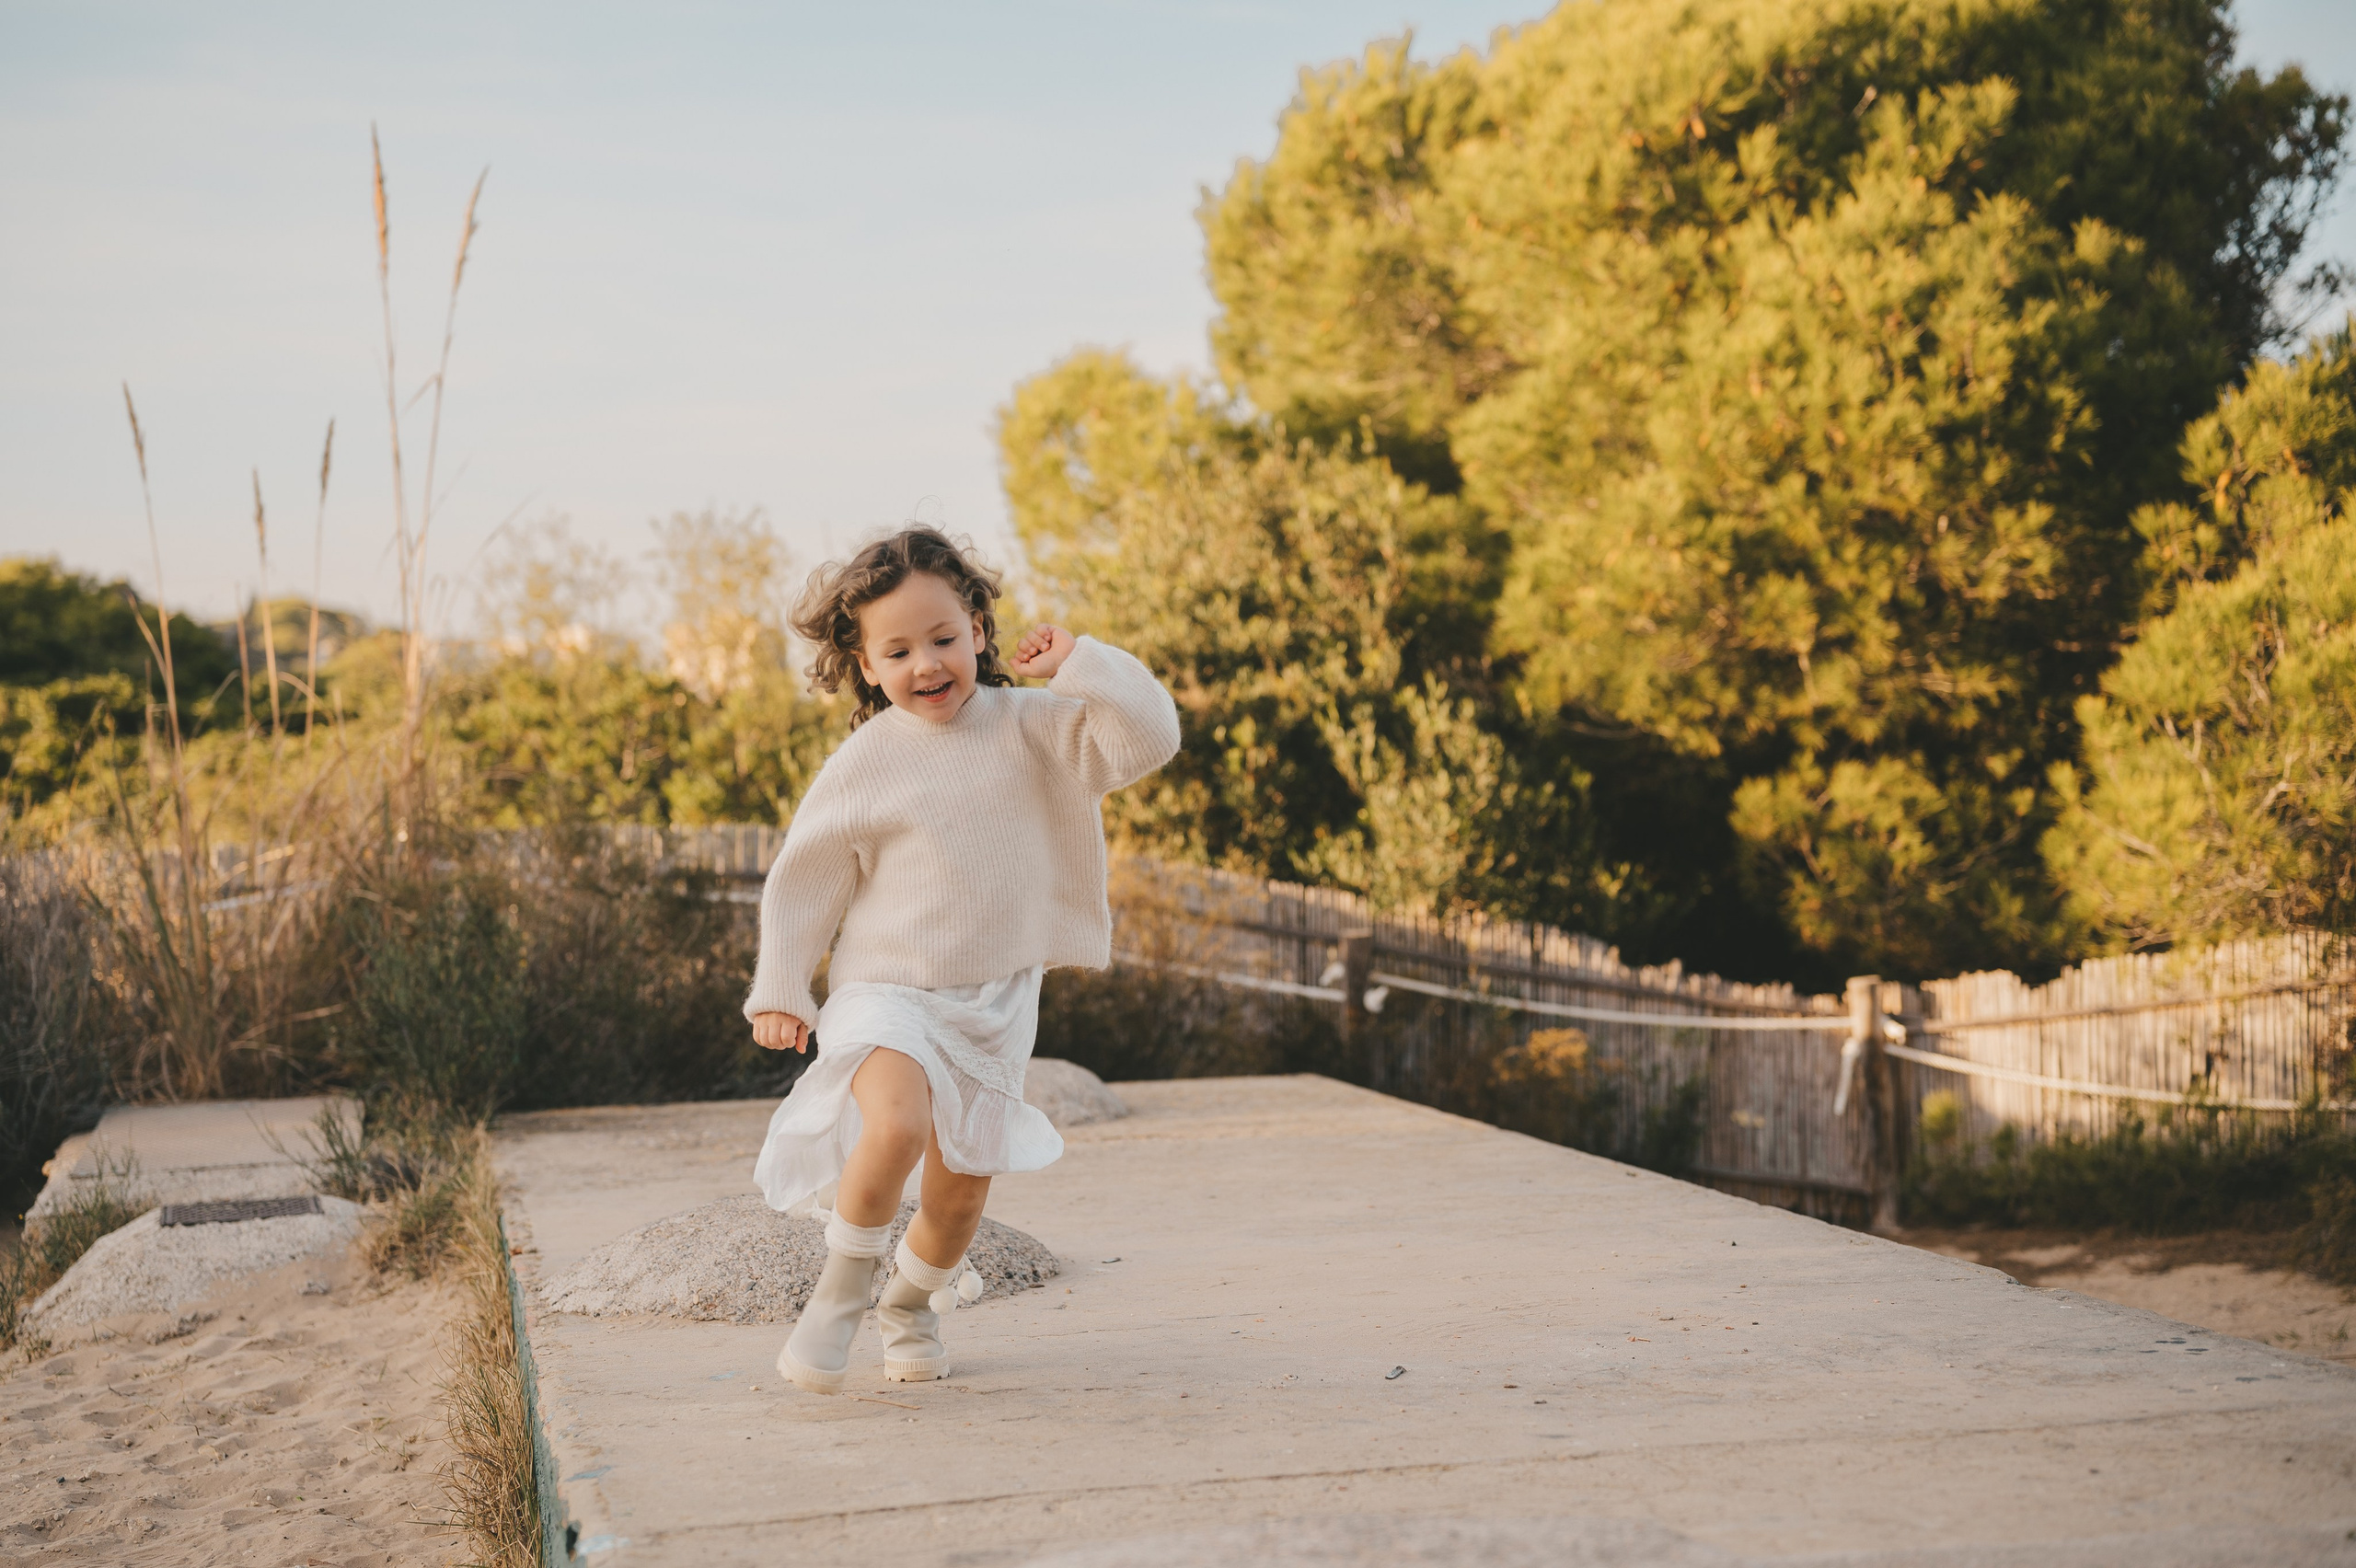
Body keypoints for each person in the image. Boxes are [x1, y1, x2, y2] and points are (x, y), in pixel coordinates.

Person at [745, 524, 1179, 1393]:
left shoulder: (1037, 730)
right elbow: (807, 877)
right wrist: (781, 985)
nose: (926, 664)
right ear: (866, 666)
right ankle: (838, 1299)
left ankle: (908, 1308)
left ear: (979, 629)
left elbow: (1150, 738)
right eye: (897, 650)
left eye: (943, 639)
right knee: (898, 1126)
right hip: (887, 990)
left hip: (993, 1002)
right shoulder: (867, 760)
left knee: (960, 1196)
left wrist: (1082, 663)